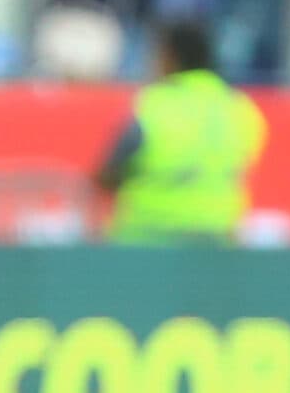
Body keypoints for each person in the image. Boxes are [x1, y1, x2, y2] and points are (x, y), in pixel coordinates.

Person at [94, 20, 267, 244]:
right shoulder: (241, 108)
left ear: (170, 57)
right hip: (216, 243)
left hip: (147, 242)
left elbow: (109, 173)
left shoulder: (154, 105)